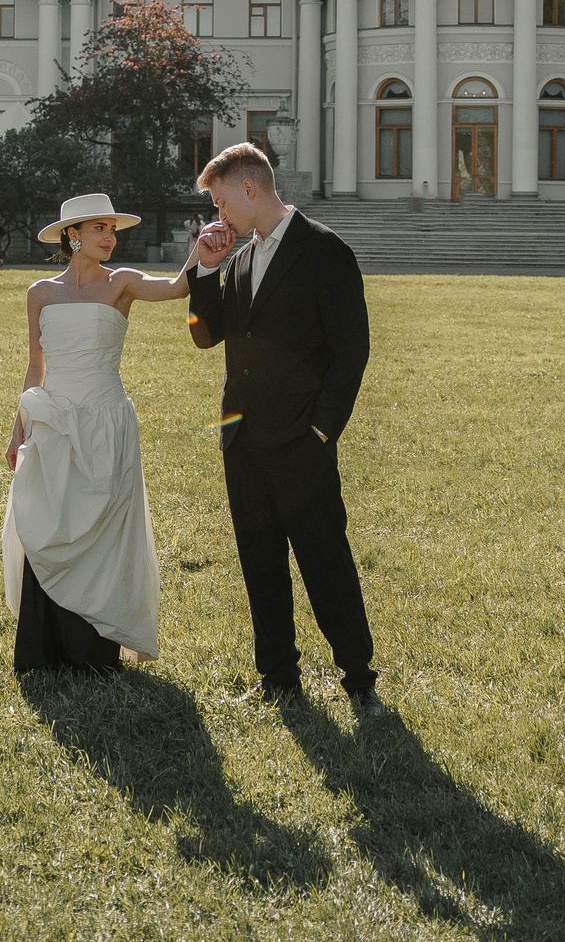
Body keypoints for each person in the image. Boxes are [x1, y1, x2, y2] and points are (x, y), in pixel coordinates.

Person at [184, 143, 385, 715]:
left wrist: (323, 430)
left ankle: (359, 679)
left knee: (325, 558)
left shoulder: (325, 251)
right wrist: (203, 268)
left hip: (302, 441)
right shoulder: (241, 258)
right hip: (242, 439)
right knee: (260, 561)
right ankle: (277, 676)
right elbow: (206, 334)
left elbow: (352, 350)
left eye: (221, 203)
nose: (219, 217)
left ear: (250, 189)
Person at [2, 192, 195, 673]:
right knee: (50, 520)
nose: (110, 238)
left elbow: (175, 288)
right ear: (73, 235)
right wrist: (17, 429)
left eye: (113, 229)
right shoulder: (40, 293)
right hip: (51, 422)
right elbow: (35, 367)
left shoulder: (122, 283)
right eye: (99, 229)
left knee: (102, 524)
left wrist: (201, 251)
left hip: (107, 420)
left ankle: (94, 650)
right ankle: (43, 648)